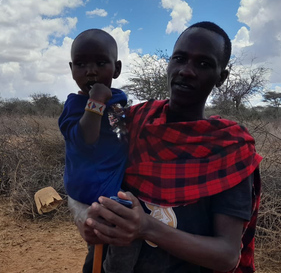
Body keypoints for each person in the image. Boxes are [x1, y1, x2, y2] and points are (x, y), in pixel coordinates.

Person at [78, 22, 262, 273]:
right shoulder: (128, 121)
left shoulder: (230, 148)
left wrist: (146, 227)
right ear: (169, 63)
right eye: (180, 58)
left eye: (204, 64)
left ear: (221, 77)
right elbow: (86, 166)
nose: (187, 71)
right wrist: (89, 221)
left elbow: (227, 256)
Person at [58, 28, 141, 273]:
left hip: (108, 188)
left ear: (116, 69)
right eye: (81, 64)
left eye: (100, 62)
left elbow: (121, 139)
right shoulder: (74, 106)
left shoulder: (117, 105)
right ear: (71, 68)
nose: (90, 70)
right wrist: (96, 102)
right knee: (124, 239)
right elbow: (86, 140)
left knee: (100, 248)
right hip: (87, 193)